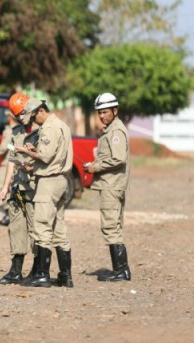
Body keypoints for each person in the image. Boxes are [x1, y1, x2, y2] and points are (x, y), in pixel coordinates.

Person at [16, 98, 73, 288]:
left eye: (33, 117)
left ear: (40, 111)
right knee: (59, 229)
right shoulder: (62, 125)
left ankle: (41, 274)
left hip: (48, 181)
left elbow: (46, 157)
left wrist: (26, 151)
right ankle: (66, 275)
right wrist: (36, 150)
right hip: (61, 180)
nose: (33, 122)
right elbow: (53, 153)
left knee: (42, 226)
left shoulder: (49, 127)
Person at [84, 93, 131, 282]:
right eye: (99, 113)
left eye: (105, 112)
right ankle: (121, 270)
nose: (102, 116)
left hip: (112, 186)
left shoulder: (116, 132)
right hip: (112, 185)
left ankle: (121, 271)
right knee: (114, 226)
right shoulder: (111, 129)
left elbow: (118, 158)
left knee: (111, 227)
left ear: (115, 111)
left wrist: (95, 167)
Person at [0, 93, 39, 285]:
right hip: (17, 187)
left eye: (23, 114)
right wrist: (5, 186)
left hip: (34, 188)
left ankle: (38, 269)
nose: (21, 118)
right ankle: (15, 270)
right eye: (17, 116)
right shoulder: (16, 133)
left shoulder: (42, 132)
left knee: (36, 229)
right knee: (16, 228)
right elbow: (12, 161)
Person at [0, 111, 17, 226]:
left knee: (0, 188)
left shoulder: (10, 130)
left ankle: (9, 213)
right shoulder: (18, 129)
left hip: (7, 164)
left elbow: (5, 146)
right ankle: (9, 213)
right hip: (12, 162)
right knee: (8, 190)